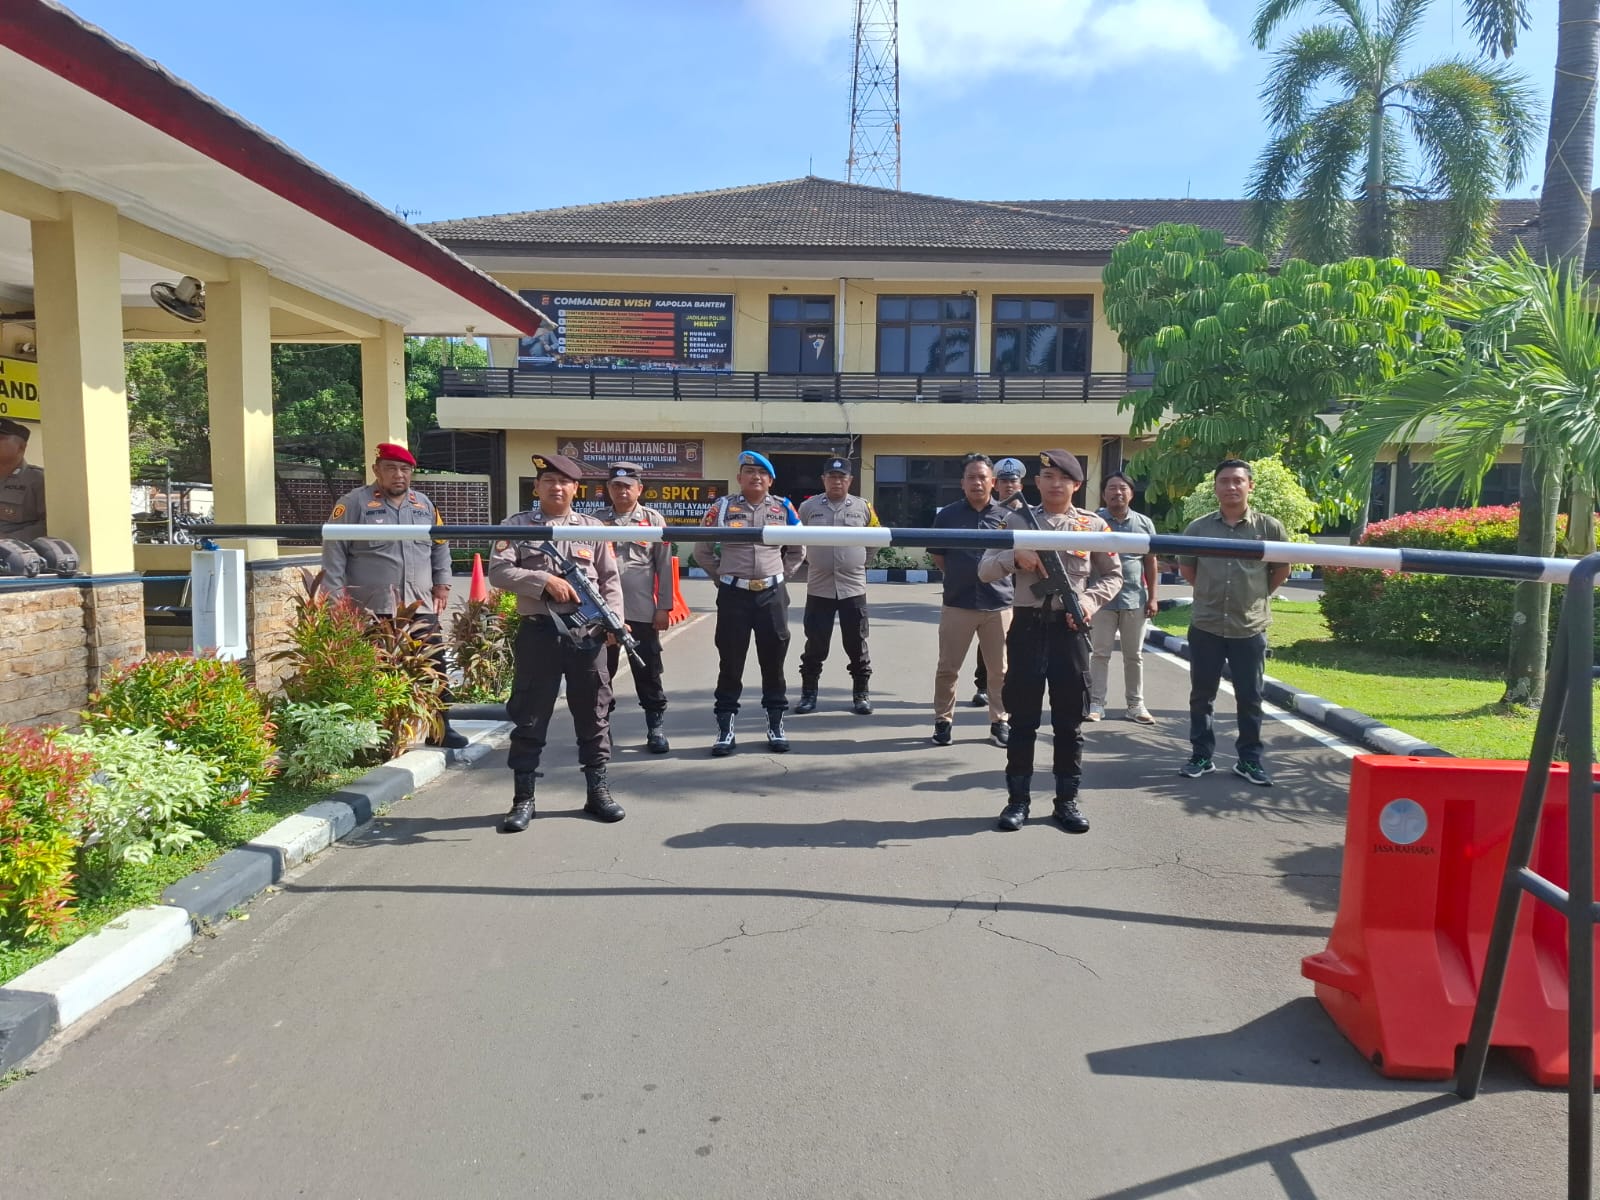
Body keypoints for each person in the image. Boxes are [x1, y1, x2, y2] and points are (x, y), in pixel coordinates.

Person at [979, 450, 1122, 832]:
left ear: (1076, 484)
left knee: (1069, 722)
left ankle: (1066, 801)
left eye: (1064, 478)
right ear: (1037, 482)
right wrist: (1015, 557)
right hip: (1027, 628)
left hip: (1070, 630)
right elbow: (984, 569)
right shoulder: (1015, 520)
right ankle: (1017, 801)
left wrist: (1088, 602)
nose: (1056, 483)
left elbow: (1113, 576)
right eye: (1048, 476)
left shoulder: (1092, 526)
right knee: (1022, 720)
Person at [488, 452, 627, 832]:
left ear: (575, 488)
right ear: (537, 487)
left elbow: (610, 580)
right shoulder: (517, 526)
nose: (557, 487)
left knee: (595, 713)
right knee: (530, 715)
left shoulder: (593, 528)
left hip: (588, 634)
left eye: (564, 481)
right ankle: (523, 798)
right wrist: (544, 581)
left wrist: (615, 621)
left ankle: (598, 791)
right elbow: (499, 572)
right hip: (540, 632)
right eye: (549, 480)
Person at [323, 442, 467, 749]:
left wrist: (442, 584)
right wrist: (336, 602)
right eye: (390, 468)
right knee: (376, 670)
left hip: (419, 605)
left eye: (405, 469)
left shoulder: (423, 504)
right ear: (376, 470)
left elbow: (440, 545)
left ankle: (441, 729)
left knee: (435, 666)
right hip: (374, 608)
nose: (398, 475)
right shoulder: (353, 504)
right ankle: (376, 736)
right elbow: (334, 553)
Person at [1176, 459, 1290, 787]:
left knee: (1250, 697)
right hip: (1206, 625)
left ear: (1249, 486)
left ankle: (1249, 760)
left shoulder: (1269, 527)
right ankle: (1201, 755)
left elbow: (1281, 570)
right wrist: (1210, 595)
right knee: (1202, 695)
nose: (1231, 487)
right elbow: (1189, 569)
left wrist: (1254, 598)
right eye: (1224, 481)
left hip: (1249, 627)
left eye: (1238, 481)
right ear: (1215, 487)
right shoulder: (1198, 528)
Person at [693, 450, 805, 755]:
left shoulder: (784, 507)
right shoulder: (722, 507)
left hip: (772, 595)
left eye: (762, 473)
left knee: (774, 662)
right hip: (734, 595)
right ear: (739, 478)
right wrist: (721, 577)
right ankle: (725, 729)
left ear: (770, 480)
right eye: (749, 472)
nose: (756, 477)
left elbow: (798, 548)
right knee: (730, 662)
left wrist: (781, 576)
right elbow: (702, 550)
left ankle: (776, 725)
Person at [930, 454, 1013, 748]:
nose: (977, 483)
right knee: (948, 668)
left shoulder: (1008, 516)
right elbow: (939, 556)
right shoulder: (947, 516)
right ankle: (943, 721)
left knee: (1000, 671)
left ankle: (999, 722)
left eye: (982, 477)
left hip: (998, 604)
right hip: (958, 603)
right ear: (962, 483)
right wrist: (961, 575)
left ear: (993, 482)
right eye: (971, 477)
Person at [597, 461, 673, 753]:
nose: (622, 491)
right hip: (603, 613)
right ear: (608, 489)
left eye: (628, 486)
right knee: (601, 673)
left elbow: (664, 567)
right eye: (616, 486)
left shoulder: (653, 520)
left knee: (648, 671)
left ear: (639, 489)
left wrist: (663, 607)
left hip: (642, 611)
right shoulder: (595, 521)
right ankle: (601, 730)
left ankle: (655, 728)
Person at [794, 457, 879, 716]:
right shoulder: (808, 507)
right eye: (832, 476)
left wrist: (859, 561)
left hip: (853, 587)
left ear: (850, 480)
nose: (837, 481)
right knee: (815, 644)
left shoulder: (864, 507)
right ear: (824, 479)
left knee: (856, 643)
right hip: (819, 586)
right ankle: (808, 694)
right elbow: (796, 538)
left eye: (842, 477)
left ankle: (861, 694)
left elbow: (876, 539)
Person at [1089, 471, 1159, 724]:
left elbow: (1150, 562)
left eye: (1123, 488)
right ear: (1103, 493)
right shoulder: (1093, 521)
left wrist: (1153, 598)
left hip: (1134, 599)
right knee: (1100, 654)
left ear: (1131, 493)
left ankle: (1135, 705)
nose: (1117, 492)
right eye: (1112, 488)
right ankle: (1096, 703)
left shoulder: (1144, 524)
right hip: (1101, 600)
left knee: (1134, 655)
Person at [972, 457, 1027, 708]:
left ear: (1021, 485)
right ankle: (983, 686)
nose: (1009, 486)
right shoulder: (993, 513)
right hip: (997, 584)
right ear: (996, 485)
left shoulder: (1032, 514)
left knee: (1019, 640)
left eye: (1013, 481)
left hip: (1025, 585)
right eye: (1004, 482)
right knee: (990, 642)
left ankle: (1014, 686)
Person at [0, 417, 45, 542]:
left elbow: (49, 524)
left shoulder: (37, 480)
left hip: (16, 550)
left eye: (1, 439)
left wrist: (8, 540)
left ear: (21, 447)